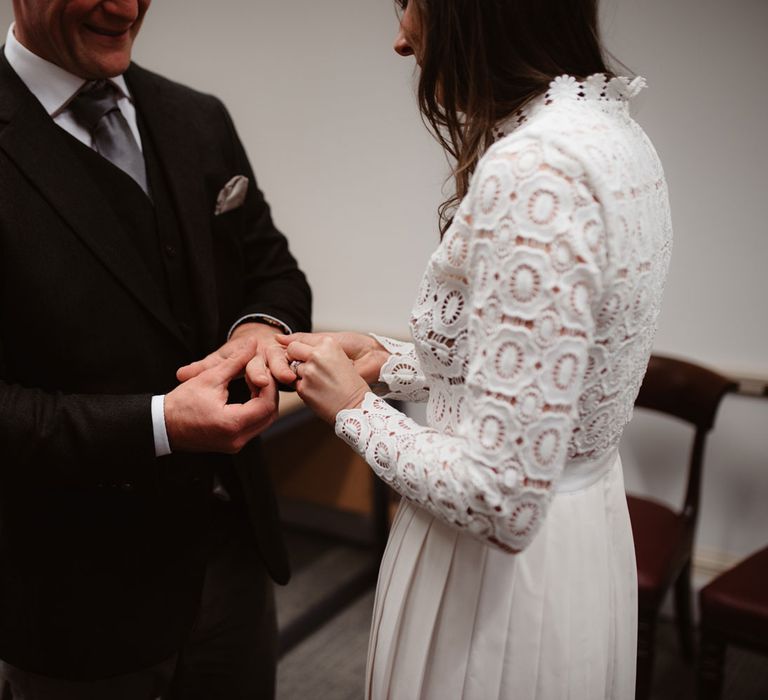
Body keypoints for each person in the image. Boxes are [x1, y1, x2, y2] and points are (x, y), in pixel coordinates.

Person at [280, 0, 672, 697]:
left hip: (497, 577)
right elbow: (540, 380)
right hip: (579, 534)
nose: (401, 42)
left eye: (410, 9)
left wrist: (350, 407)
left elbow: (499, 498)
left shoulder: (538, 170)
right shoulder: (610, 131)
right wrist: (385, 362)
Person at [0, 0, 310, 698]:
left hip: (231, 560)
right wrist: (160, 425)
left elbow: (272, 268)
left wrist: (256, 329)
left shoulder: (196, 116)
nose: (125, 7)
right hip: (73, 600)